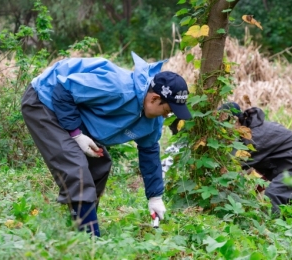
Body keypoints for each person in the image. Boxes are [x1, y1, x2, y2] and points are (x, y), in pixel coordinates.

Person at [21, 52, 191, 237]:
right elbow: (63, 90)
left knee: (99, 164)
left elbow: (149, 153)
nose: (166, 116)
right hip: (44, 100)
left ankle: (80, 223)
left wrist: (155, 196)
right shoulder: (116, 87)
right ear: (154, 98)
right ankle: (90, 240)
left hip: (73, 110)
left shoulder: (152, 120)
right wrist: (76, 134)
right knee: (76, 168)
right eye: (166, 110)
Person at [235, 103, 292, 219]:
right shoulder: (252, 129)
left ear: (235, 121)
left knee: (273, 194)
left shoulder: (253, 136)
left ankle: (273, 229)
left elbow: (234, 166)